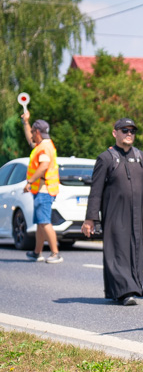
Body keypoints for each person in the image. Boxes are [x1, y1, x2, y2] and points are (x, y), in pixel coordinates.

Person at [83, 118, 143, 306]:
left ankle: (125, 289)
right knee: (118, 251)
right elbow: (95, 191)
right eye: (124, 130)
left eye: (132, 131)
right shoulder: (106, 158)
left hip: (137, 214)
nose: (129, 134)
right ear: (115, 133)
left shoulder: (142, 157)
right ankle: (125, 291)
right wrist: (90, 219)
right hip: (114, 212)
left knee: (135, 250)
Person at [21, 111, 62, 263]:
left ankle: (55, 253)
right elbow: (30, 141)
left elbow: (44, 165)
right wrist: (26, 122)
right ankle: (37, 252)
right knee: (40, 222)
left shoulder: (44, 148)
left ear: (37, 132)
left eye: (32, 131)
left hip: (44, 190)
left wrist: (30, 181)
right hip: (43, 190)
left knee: (44, 222)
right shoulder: (44, 145)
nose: (31, 134)